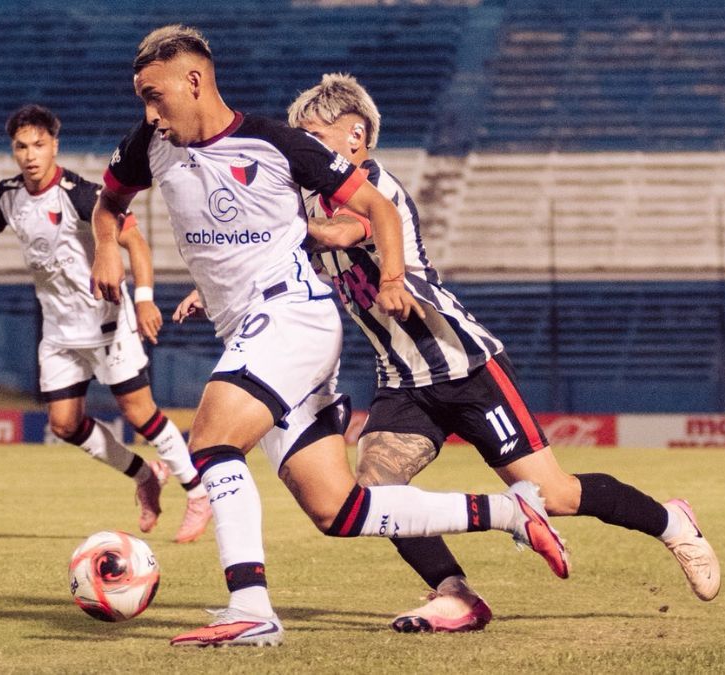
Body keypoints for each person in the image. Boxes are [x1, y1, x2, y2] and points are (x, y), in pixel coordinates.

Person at [90, 25, 569, 648]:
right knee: (338, 510)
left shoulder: (275, 143)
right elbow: (109, 204)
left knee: (208, 438)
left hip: (292, 316)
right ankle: (512, 510)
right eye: (141, 100)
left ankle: (251, 606)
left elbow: (379, 207)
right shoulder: (148, 144)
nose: (149, 111)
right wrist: (106, 248)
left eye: (156, 96)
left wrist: (393, 275)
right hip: (252, 332)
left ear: (195, 81)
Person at [284, 73, 721, 629]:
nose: (304, 151)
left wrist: (282, 226)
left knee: (555, 495)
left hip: (466, 366)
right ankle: (454, 594)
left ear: (355, 135)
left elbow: (343, 233)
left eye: (313, 137)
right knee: (377, 490)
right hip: (402, 380)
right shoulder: (312, 205)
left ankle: (673, 523)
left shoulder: (372, 187)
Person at [0, 104, 212, 544]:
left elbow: (135, 242)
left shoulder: (79, 194)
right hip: (58, 331)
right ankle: (144, 476)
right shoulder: (7, 195)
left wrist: (146, 300)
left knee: (139, 413)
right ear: (13, 151)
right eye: (22, 146)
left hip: (107, 321)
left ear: (54, 145)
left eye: (39, 144)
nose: (31, 154)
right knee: (64, 425)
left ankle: (197, 491)